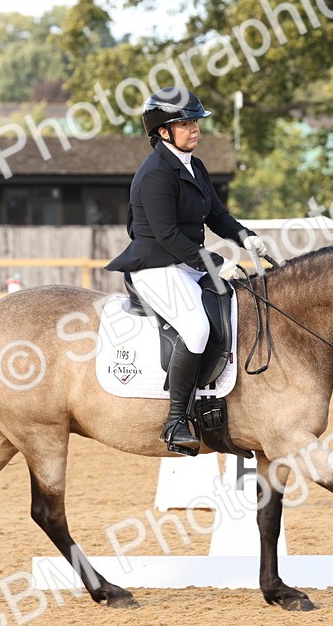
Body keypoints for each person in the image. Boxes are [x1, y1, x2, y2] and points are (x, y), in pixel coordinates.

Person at [107, 87, 269, 452]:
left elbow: (216, 214)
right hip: (155, 266)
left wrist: (247, 238)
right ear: (163, 131)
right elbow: (165, 235)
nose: (195, 129)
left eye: (196, 122)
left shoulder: (194, 166)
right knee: (196, 328)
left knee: (241, 304)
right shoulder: (155, 174)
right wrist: (216, 263)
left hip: (186, 263)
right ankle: (176, 419)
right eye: (186, 123)